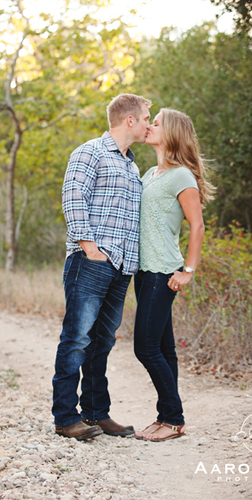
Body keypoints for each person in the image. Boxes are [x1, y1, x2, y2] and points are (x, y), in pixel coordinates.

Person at [52, 93, 151, 440]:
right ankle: (65, 417)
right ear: (129, 120)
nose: (148, 125)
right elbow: (73, 194)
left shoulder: (132, 165)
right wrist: (88, 247)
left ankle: (96, 413)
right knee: (77, 339)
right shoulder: (89, 151)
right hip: (91, 261)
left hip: (122, 266)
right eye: (145, 119)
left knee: (102, 341)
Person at [132, 108, 214, 442]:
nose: (150, 125)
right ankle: (166, 418)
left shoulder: (181, 176)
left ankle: (174, 417)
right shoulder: (150, 173)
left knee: (145, 348)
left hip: (163, 271)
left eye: (157, 122)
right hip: (142, 270)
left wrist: (188, 271)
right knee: (165, 350)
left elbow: (197, 226)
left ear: (173, 132)